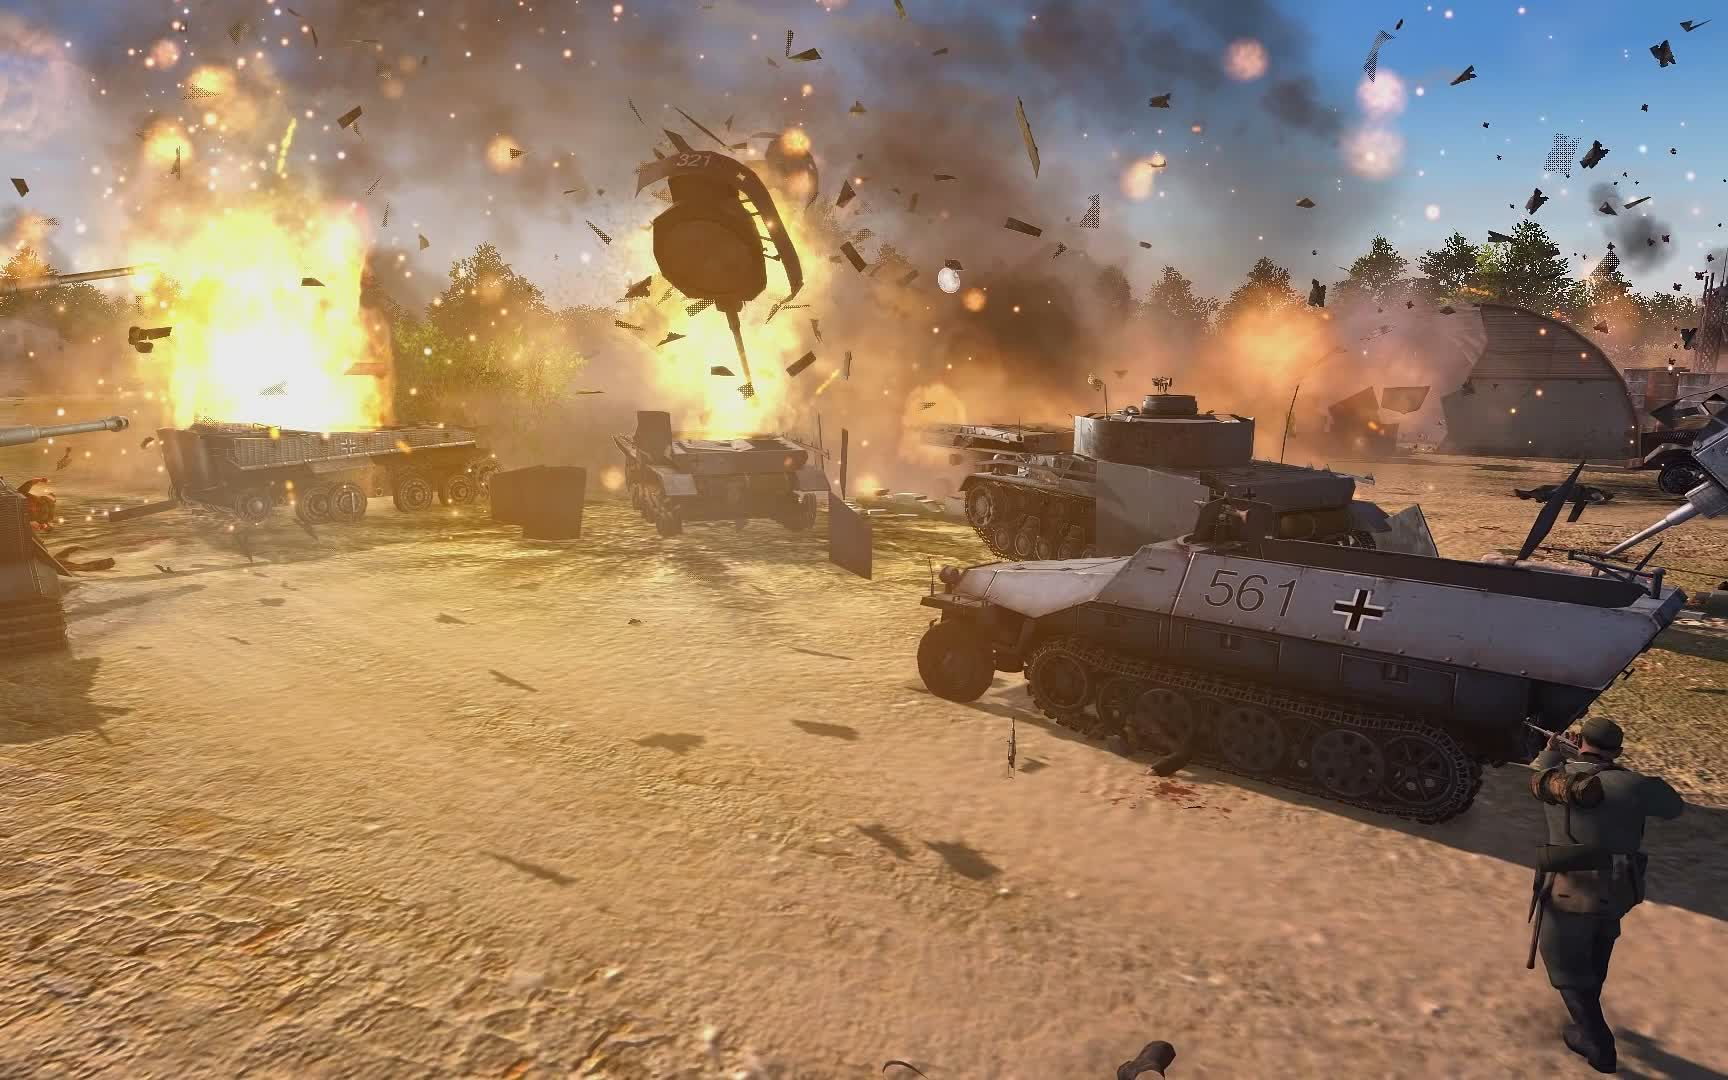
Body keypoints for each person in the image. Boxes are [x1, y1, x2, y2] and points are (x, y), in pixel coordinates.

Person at [1528, 716, 1685, 1073]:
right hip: (1618, 885)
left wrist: (1555, 751)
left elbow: (1539, 772)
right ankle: (1590, 1017)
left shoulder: (1554, 780)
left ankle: (1597, 1043)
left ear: (1581, 742)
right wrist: (1625, 773)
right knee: (1599, 941)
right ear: (1618, 750)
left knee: (1565, 963)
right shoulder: (1632, 784)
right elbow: (1674, 807)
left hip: (1567, 885)